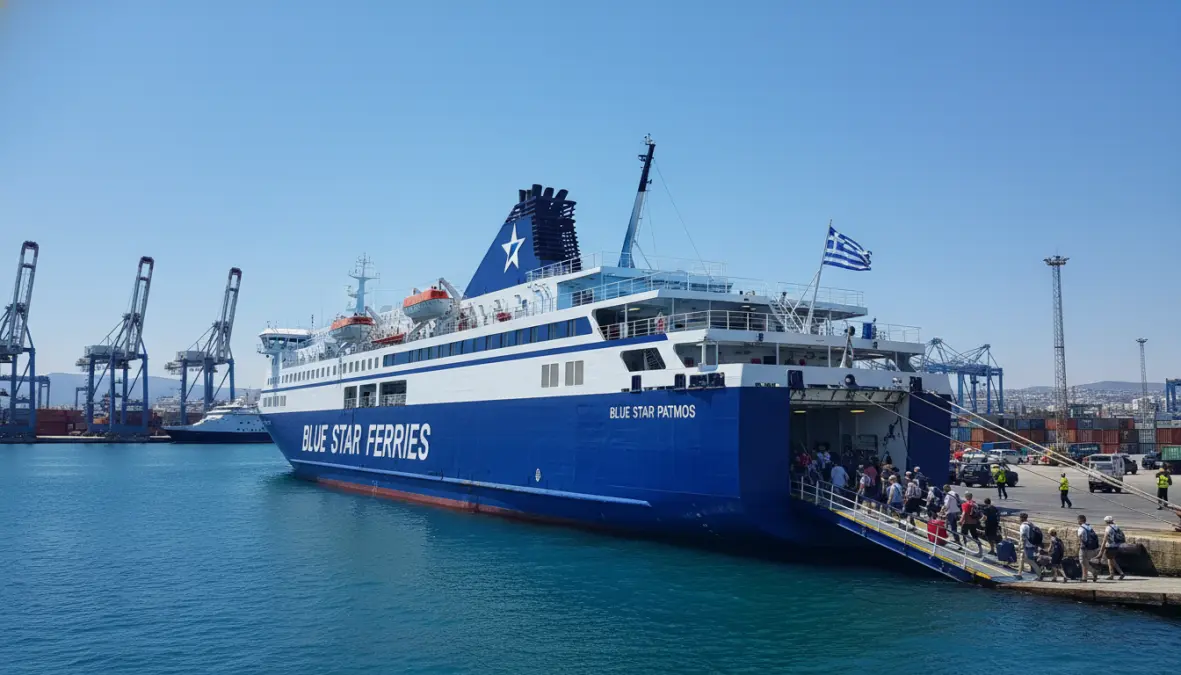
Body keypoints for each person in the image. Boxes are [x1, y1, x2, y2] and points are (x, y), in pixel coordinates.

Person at [1016, 513, 1042, 580]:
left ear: (1021, 518)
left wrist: (1021, 546)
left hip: (1027, 546)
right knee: (1022, 559)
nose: (1019, 519)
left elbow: (1023, 537)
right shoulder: (1030, 524)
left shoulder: (1023, 526)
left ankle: (1039, 575)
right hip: (1032, 544)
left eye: (1019, 518)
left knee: (1030, 561)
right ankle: (1019, 574)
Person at [1076, 514, 1101, 583]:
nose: (1077, 522)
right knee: (1085, 562)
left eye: (1078, 520)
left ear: (1080, 520)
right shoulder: (1089, 527)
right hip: (1092, 548)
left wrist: (1080, 545)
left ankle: (1094, 572)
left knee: (1082, 561)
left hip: (1084, 548)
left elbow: (1080, 538)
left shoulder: (1081, 528)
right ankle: (1084, 578)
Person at [1101, 515, 1126, 580]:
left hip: (1110, 547)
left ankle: (1115, 574)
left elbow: (1104, 539)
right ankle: (1116, 574)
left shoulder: (1108, 528)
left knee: (1110, 560)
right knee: (1111, 560)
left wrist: (1101, 549)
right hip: (1117, 545)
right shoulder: (1116, 526)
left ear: (1106, 522)